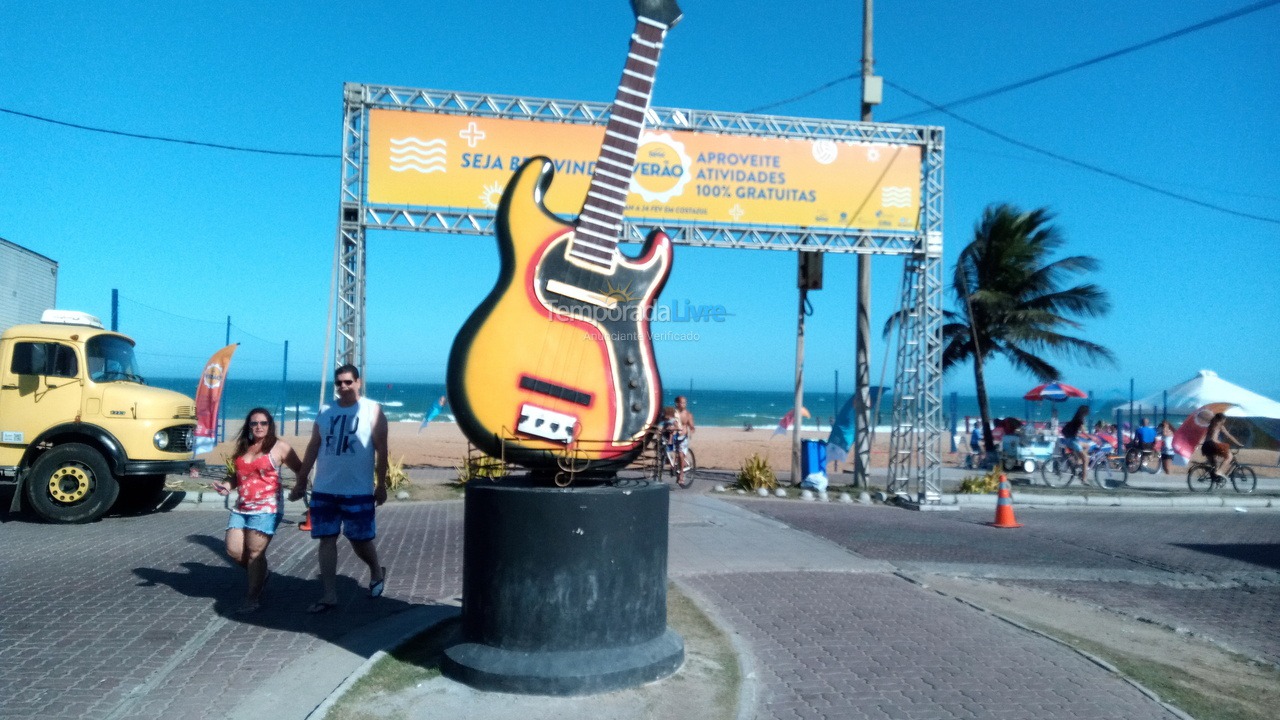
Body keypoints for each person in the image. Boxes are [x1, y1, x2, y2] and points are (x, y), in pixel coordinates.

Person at [289, 364, 389, 614]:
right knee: (326, 540)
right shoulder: (326, 411)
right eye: (339, 383)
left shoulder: (372, 410)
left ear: (358, 382)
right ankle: (329, 594)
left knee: (359, 540)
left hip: (358, 490)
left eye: (348, 382)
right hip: (325, 489)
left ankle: (376, 570)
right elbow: (313, 446)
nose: (343, 387)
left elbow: (382, 450)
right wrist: (302, 480)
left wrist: (381, 484)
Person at [212, 408, 301, 614]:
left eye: (263, 423)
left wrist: (299, 487)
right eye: (254, 423)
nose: (259, 427)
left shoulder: (279, 447)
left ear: (270, 425)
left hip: (267, 508)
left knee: (255, 553)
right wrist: (226, 486)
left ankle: (252, 597)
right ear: (249, 426)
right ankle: (262, 574)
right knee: (233, 550)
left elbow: (300, 468)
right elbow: (237, 476)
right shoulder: (244, 447)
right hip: (242, 508)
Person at [1201, 412, 1242, 480]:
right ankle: (1219, 472)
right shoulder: (1219, 425)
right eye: (1224, 420)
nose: (1224, 421)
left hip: (1206, 445)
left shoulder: (1211, 424)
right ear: (1221, 420)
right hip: (1213, 444)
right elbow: (1228, 436)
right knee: (1230, 456)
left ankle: (1215, 477)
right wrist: (1238, 444)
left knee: (1215, 463)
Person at [1060, 405, 1089, 483]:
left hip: (1070, 440)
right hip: (1072, 441)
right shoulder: (1080, 419)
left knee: (1087, 446)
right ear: (1084, 412)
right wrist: (1093, 438)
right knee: (1086, 459)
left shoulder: (1076, 418)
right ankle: (1084, 479)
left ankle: (1079, 461)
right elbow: (1083, 431)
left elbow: (1076, 431)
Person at [658, 405, 686, 485]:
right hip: (666, 435)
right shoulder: (666, 420)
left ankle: (675, 465)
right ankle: (668, 461)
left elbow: (678, 427)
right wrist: (662, 430)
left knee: (672, 447)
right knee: (662, 445)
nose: (666, 417)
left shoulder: (673, 420)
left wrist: (673, 428)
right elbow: (663, 426)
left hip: (673, 435)